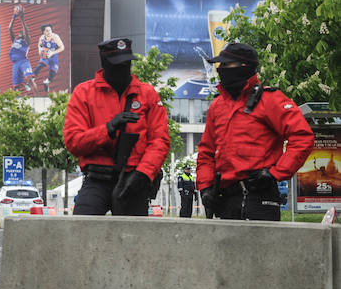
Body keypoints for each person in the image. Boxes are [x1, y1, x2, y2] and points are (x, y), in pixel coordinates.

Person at [196, 43, 314, 221]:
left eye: (227, 65)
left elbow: (302, 137)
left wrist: (275, 173)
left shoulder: (270, 100)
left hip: (260, 195)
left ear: (245, 67)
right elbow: (206, 152)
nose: (221, 69)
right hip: (226, 199)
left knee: (262, 248)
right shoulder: (217, 106)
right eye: (220, 65)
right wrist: (205, 188)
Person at [63, 38, 170, 216]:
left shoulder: (147, 94)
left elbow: (160, 141)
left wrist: (143, 174)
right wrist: (108, 129)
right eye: (117, 64)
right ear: (104, 63)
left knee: (132, 238)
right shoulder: (84, 93)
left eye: (127, 63)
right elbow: (74, 142)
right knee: (81, 229)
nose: (123, 68)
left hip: (134, 179)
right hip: (97, 179)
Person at [8, 5, 38, 94]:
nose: (20, 33)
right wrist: (14, 16)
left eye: (23, 32)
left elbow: (26, 31)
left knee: (30, 80)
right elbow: (10, 28)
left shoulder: (26, 41)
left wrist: (22, 19)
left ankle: (38, 96)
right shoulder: (15, 40)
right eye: (20, 32)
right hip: (15, 64)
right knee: (16, 87)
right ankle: (14, 104)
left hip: (23, 61)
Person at [33, 24, 65, 93]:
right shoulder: (41, 39)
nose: (49, 32)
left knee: (52, 75)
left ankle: (46, 82)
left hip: (54, 57)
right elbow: (40, 48)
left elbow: (62, 47)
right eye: (47, 31)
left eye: (50, 30)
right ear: (43, 32)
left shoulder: (55, 37)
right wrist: (41, 53)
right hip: (46, 56)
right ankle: (31, 79)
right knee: (40, 65)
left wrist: (52, 53)